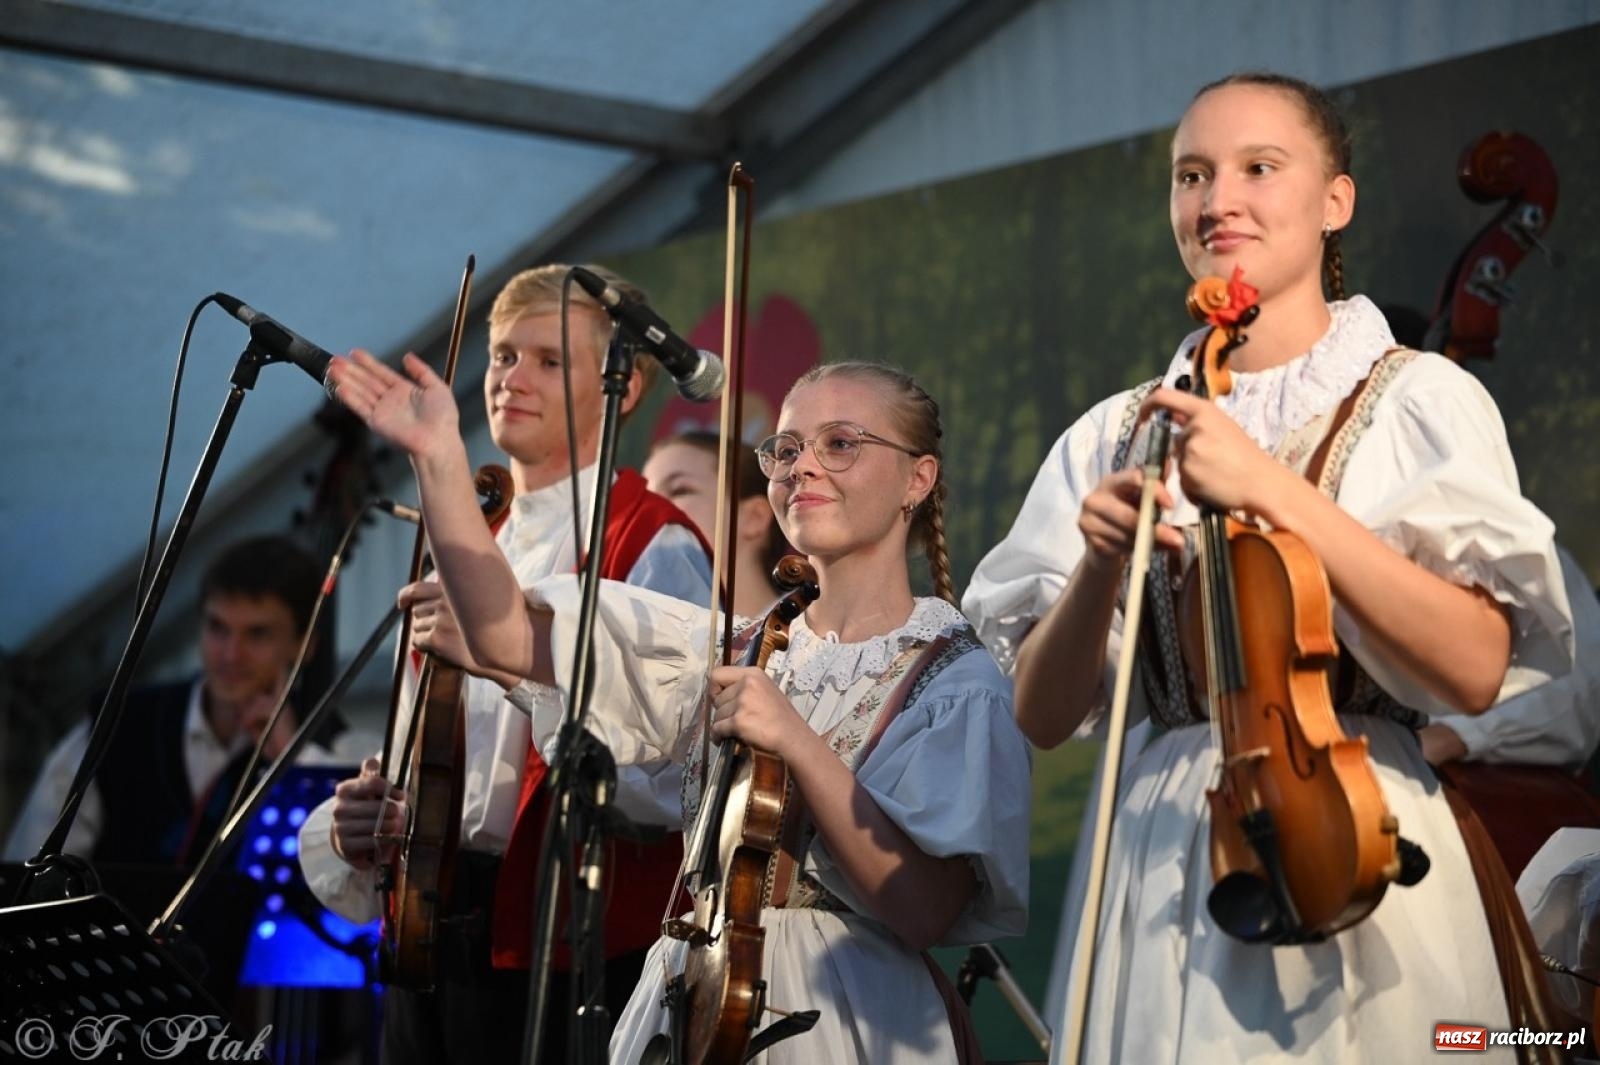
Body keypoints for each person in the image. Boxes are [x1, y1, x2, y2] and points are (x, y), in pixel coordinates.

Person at [963, 73, 1575, 1063]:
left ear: (1334, 202)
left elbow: (1472, 669)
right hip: (1166, 848)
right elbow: (1037, 717)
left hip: (1357, 825)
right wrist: (1093, 572)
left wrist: (1271, 488)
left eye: (1259, 167)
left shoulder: (1419, 397)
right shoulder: (1112, 433)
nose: (1216, 201)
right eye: (1190, 175)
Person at [325, 347, 1032, 1065]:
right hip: (694, 1002)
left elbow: (925, 910)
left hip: (846, 1019)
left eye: (840, 444)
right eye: (786, 448)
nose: (803, 466)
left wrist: (795, 741)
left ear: (919, 477)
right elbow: (504, 634)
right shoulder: (724, 650)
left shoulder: (953, 677)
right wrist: (439, 455)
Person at [297, 264, 712, 1065]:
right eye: (501, 356)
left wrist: (512, 664)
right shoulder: (468, 532)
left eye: (550, 361)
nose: (512, 378)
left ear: (621, 392)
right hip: (432, 939)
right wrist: (375, 817)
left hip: (568, 948)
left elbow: (672, 779)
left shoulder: (651, 541)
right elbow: (437, 758)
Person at [5, 533, 341, 866]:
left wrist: (293, 762)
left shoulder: (336, 746)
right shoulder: (118, 722)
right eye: (217, 627)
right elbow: (34, 867)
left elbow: (345, 884)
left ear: (305, 645)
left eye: (257, 634)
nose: (230, 655)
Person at [643, 428, 787, 617]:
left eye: (680, 490)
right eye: (645, 497)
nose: (649, 508)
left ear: (755, 517)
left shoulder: (808, 636)